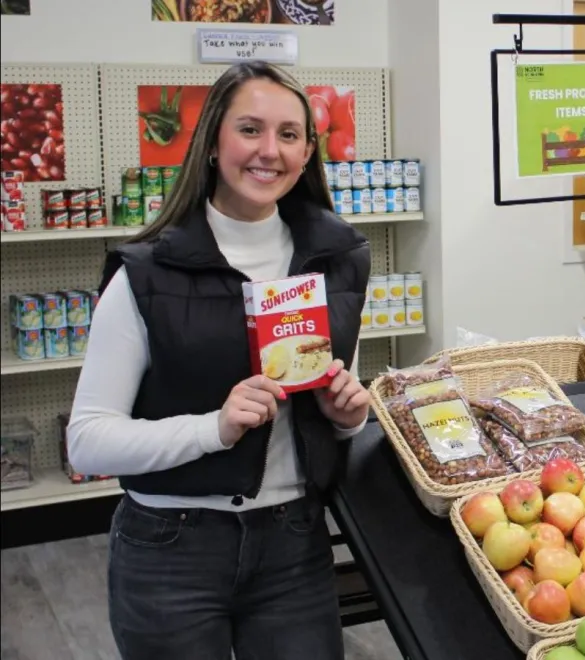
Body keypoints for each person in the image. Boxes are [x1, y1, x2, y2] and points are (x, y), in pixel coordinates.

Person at [67, 61, 372, 660]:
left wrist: (348, 414)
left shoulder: (339, 260)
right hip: (170, 548)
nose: (269, 151)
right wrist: (214, 428)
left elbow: (343, 402)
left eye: (289, 135)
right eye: (250, 129)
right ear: (212, 143)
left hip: (294, 542)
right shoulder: (146, 273)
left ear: (309, 152)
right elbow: (88, 441)